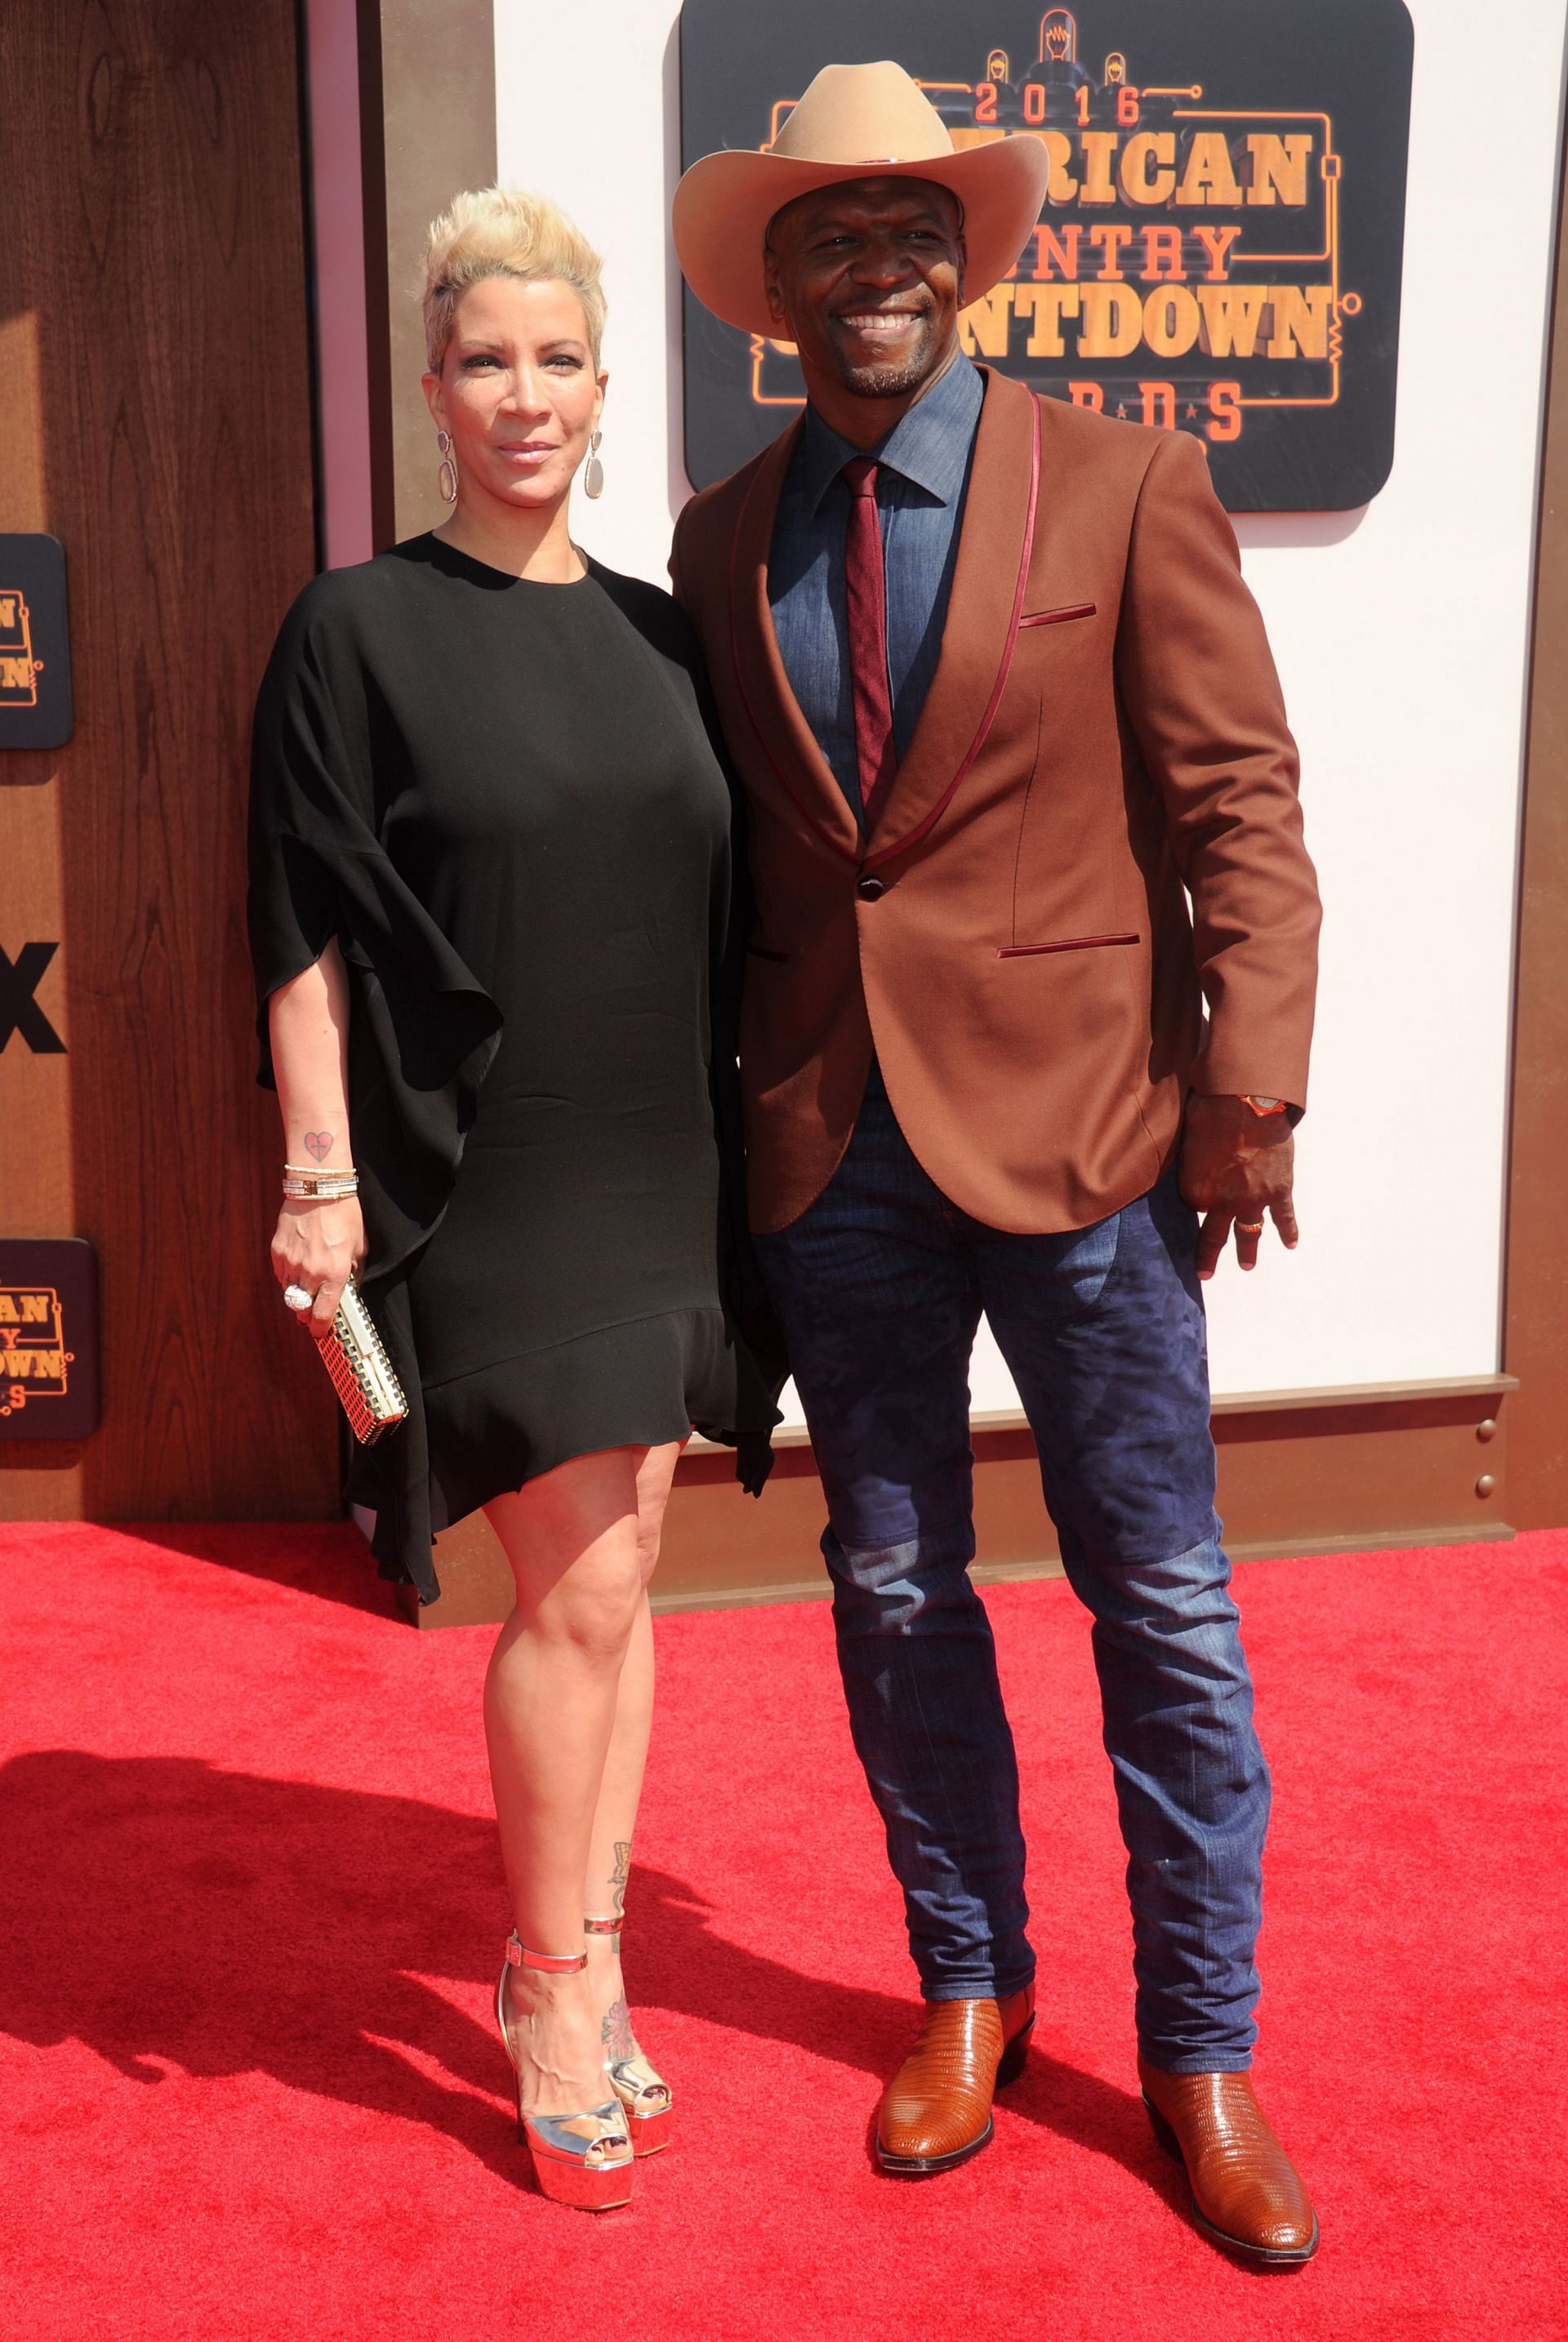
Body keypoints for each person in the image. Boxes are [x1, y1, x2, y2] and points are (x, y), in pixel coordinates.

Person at [670, 63, 1322, 2263]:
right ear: (774, 289)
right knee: (889, 1584)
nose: (877, 265)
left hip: (1096, 1134)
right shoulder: (720, 536)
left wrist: (1253, 1081)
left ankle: (1201, 2043)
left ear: (965, 258)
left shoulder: (1127, 483)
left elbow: (1240, 805)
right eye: (831, 235)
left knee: (1164, 1598)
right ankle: (972, 1977)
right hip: (835, 1146)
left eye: (911, 228)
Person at [247, 187, 779, 2212]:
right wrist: (317, 1181)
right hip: (490, 1168)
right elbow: (299, 923)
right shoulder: (357, 628)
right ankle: (547, 1985)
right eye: (486, 361)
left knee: (629, 1574)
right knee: (573, 1589)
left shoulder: (657, 630)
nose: (525, 394)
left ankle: (602, 1953)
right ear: (431, 388)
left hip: (666, 1157)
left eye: (559, 358)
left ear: (603, 381)